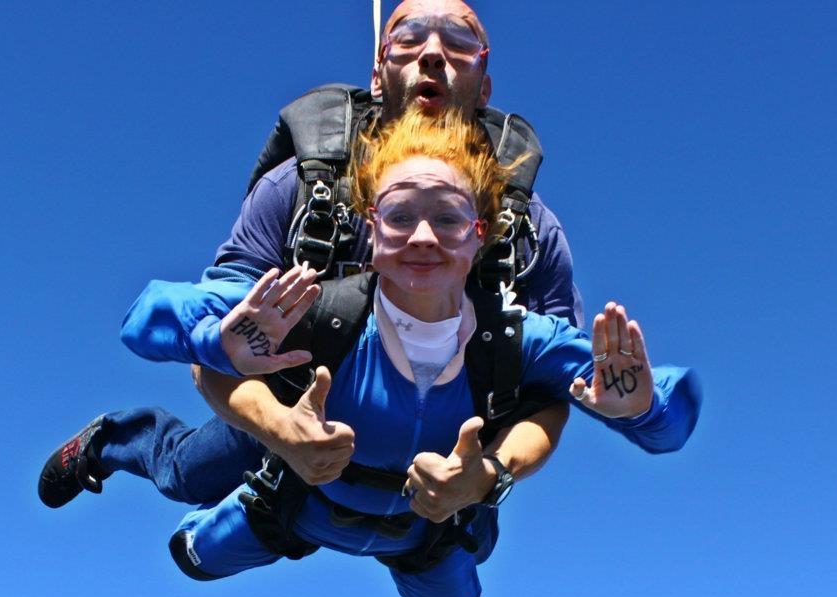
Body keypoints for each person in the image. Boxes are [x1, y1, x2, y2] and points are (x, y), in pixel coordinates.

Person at [144, 109, 701, 597]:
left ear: (479, 234)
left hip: (425, 535)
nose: (423, 236)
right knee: (191, 556)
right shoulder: (319, 311)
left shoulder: (517, 336)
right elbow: (149, 317)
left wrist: (641, 410)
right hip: (296, 502)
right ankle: (116, 440)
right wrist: (222, 348)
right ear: (372, 229)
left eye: (448, 218)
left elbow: (664, 423)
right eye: (400, 215)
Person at [39, 0, 578, 523]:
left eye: (460, 42)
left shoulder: (527, 233)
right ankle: (110, 442)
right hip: (291, 403)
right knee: (186, 475)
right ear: (377, 75)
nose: (433, 54)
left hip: (438, 446)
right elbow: (211, 343)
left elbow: (552, 396)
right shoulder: (300, 190)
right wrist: (278, 429)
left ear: (484, 86)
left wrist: (489, 473)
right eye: (409, 39)